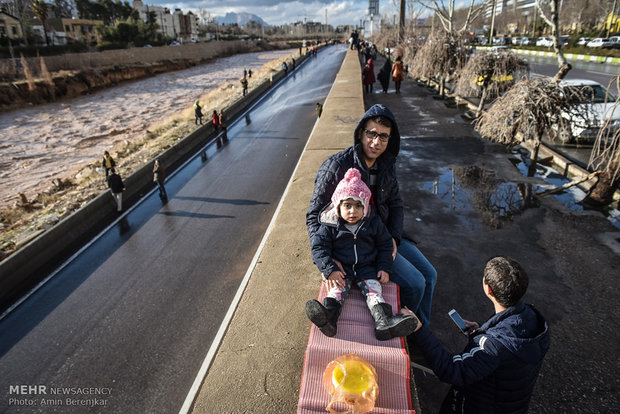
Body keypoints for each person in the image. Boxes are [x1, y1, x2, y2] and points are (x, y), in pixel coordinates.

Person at [307, 104, 437, 326]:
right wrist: (326, 263)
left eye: (383, 137)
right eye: (371, 134)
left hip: (384, 235)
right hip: (359, 244)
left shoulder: (386, 164)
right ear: (360, 133)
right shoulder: (336, 166)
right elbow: (314, 216)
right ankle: (411, 329)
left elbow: (396, 205)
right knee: (415, 283)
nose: (376, 143)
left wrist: (395, 239)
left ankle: (419, 327)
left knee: (430, 275)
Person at [408, 256, 550, 414]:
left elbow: (453, 370)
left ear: (488, 290)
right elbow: (508, 349)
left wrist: (419, 329)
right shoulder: (533, 319)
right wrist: (480, 332)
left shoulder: (493, 346)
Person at [306, 168, 417, 340]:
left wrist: (384, 267)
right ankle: (328, 317)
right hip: (342, 269)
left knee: (374, 292)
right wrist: (330, 268)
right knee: (336, 289)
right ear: (338, 206)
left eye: (359, 205)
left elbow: (386, 245)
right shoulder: (329, 226)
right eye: (347, 205)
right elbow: (319, 247)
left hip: (367, 268)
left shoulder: (373, 222)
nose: (353, 211)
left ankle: (384, 322)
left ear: (365, 207)